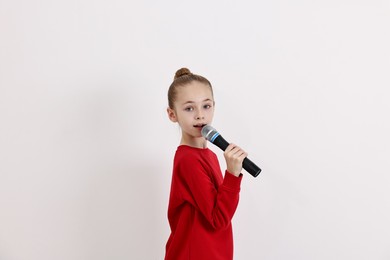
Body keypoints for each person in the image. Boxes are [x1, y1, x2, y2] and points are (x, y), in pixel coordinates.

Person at [164, 67, 248, 260]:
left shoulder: (207, 154)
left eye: (206, 106)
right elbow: (217, 219)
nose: (200, 115)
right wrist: (232, 176)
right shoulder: (188, 159)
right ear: (172, 114)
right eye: (189, 108)